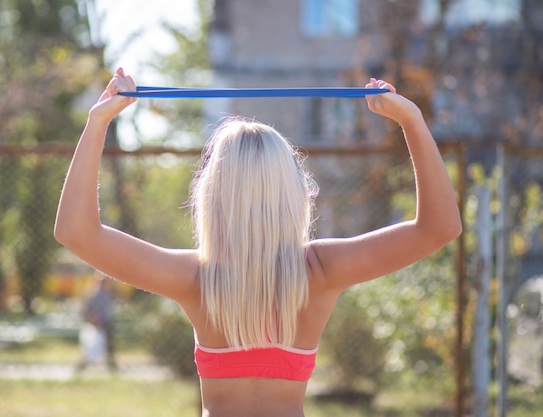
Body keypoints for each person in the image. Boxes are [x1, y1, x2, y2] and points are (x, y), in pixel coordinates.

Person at [54, 68, 462, 417]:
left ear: (213, 196)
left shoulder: (195, 277)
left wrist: (98, 122)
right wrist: (411, 121)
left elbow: (76, 233)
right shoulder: (320, 270)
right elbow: (439, 227)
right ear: (293, 193)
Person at [77, 276, 117, 371]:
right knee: (94, 345)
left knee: (108, 346)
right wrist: (94, 319)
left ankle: (111, 365)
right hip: (98, 322)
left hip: (106, 322)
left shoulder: (106, 294)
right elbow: (87, 310)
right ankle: (84, 365)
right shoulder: (95, 294)